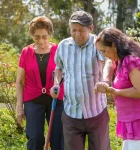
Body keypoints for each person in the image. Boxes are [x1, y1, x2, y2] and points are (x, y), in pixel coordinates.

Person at [50, 10, 111, 150]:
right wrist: (56, 84)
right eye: (73, 30)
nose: (77, 34)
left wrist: (105, 80)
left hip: (97, 112)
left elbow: (108, 62)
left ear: (91, 28)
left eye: (81, 30)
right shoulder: (63, 46)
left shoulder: (98, 44)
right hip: (72, 113)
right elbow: (59, 68)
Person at [16, 16, 64, 150]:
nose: (41, 41)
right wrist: (19, 107)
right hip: (32, 99)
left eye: (44, 36)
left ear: (50, 34)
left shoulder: (58, 50)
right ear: (32, 35)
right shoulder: (26, 52)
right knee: (35, 137)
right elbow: (19, 82)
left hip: (56, 99)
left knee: (58, 138)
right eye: (37, 37)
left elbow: (63, 73)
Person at [94, 27, 140, 150]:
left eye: (104, 51)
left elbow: (139, 91)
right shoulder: (119, 61)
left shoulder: (130, 61)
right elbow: (109, 64)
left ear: (113, 45)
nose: (103, 55)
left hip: (137, 121)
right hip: (129, 121)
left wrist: (114, 91)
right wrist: (105, 81)